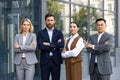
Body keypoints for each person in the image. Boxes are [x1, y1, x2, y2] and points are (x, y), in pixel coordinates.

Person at [37, 13, 64, 80]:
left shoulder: (59, 32)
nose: (50, 22)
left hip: (56, 61)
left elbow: (61, 44)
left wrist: (48, 44)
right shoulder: (40, 33)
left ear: (54, 21)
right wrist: (55, 45)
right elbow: (40, 46)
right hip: (44, 61)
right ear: (45, 21)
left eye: (51, 20)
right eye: (48, 20)